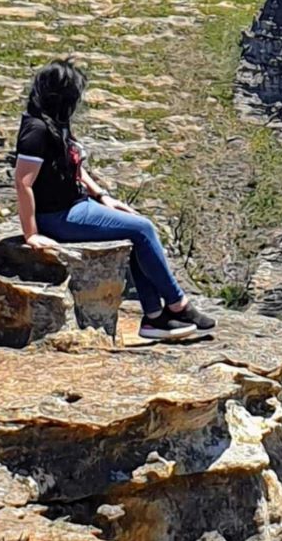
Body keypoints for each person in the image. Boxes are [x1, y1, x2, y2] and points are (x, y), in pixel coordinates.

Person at [13, 58, 215, 341]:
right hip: (58, 216)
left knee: (134, 230)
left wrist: (103, 197)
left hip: (76, 205)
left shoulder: (54, 123)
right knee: (142, 228)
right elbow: (23, 182)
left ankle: (154, 318)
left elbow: (75, 168)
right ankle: (177, 305)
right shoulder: (36, 129)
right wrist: (31, 234)